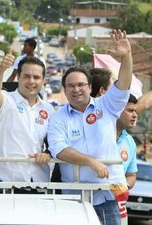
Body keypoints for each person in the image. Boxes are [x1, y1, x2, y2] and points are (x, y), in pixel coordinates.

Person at [47, 29, 132, 225]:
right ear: (64, 89)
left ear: (89, 86)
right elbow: (58, 149)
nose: (76, 89)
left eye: (81, 85)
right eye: (71, 86)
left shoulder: (107, 105)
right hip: (74, 197)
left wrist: (126, 56)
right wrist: (91, 162)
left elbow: (124, 84)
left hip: (108, 194)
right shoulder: (58, 117)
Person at [0, 52, 54, 192]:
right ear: (18, 77)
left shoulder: (48, 109)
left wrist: (47, 153)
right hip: (5, 182)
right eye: (26, 76)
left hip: (38, 183)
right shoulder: (6, 100)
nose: (31, 81)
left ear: (43, 81)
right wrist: (2, 69)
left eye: (36, 77)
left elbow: (54, 142)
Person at [116, 94, 138, 189]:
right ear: (117, 111)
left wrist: (125, 187)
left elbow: (131, 175)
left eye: (135, 111)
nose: (135, 115)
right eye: (130, 110)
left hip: (115, 201)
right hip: (89, 196)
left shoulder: (130, 141)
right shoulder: (99, 133)